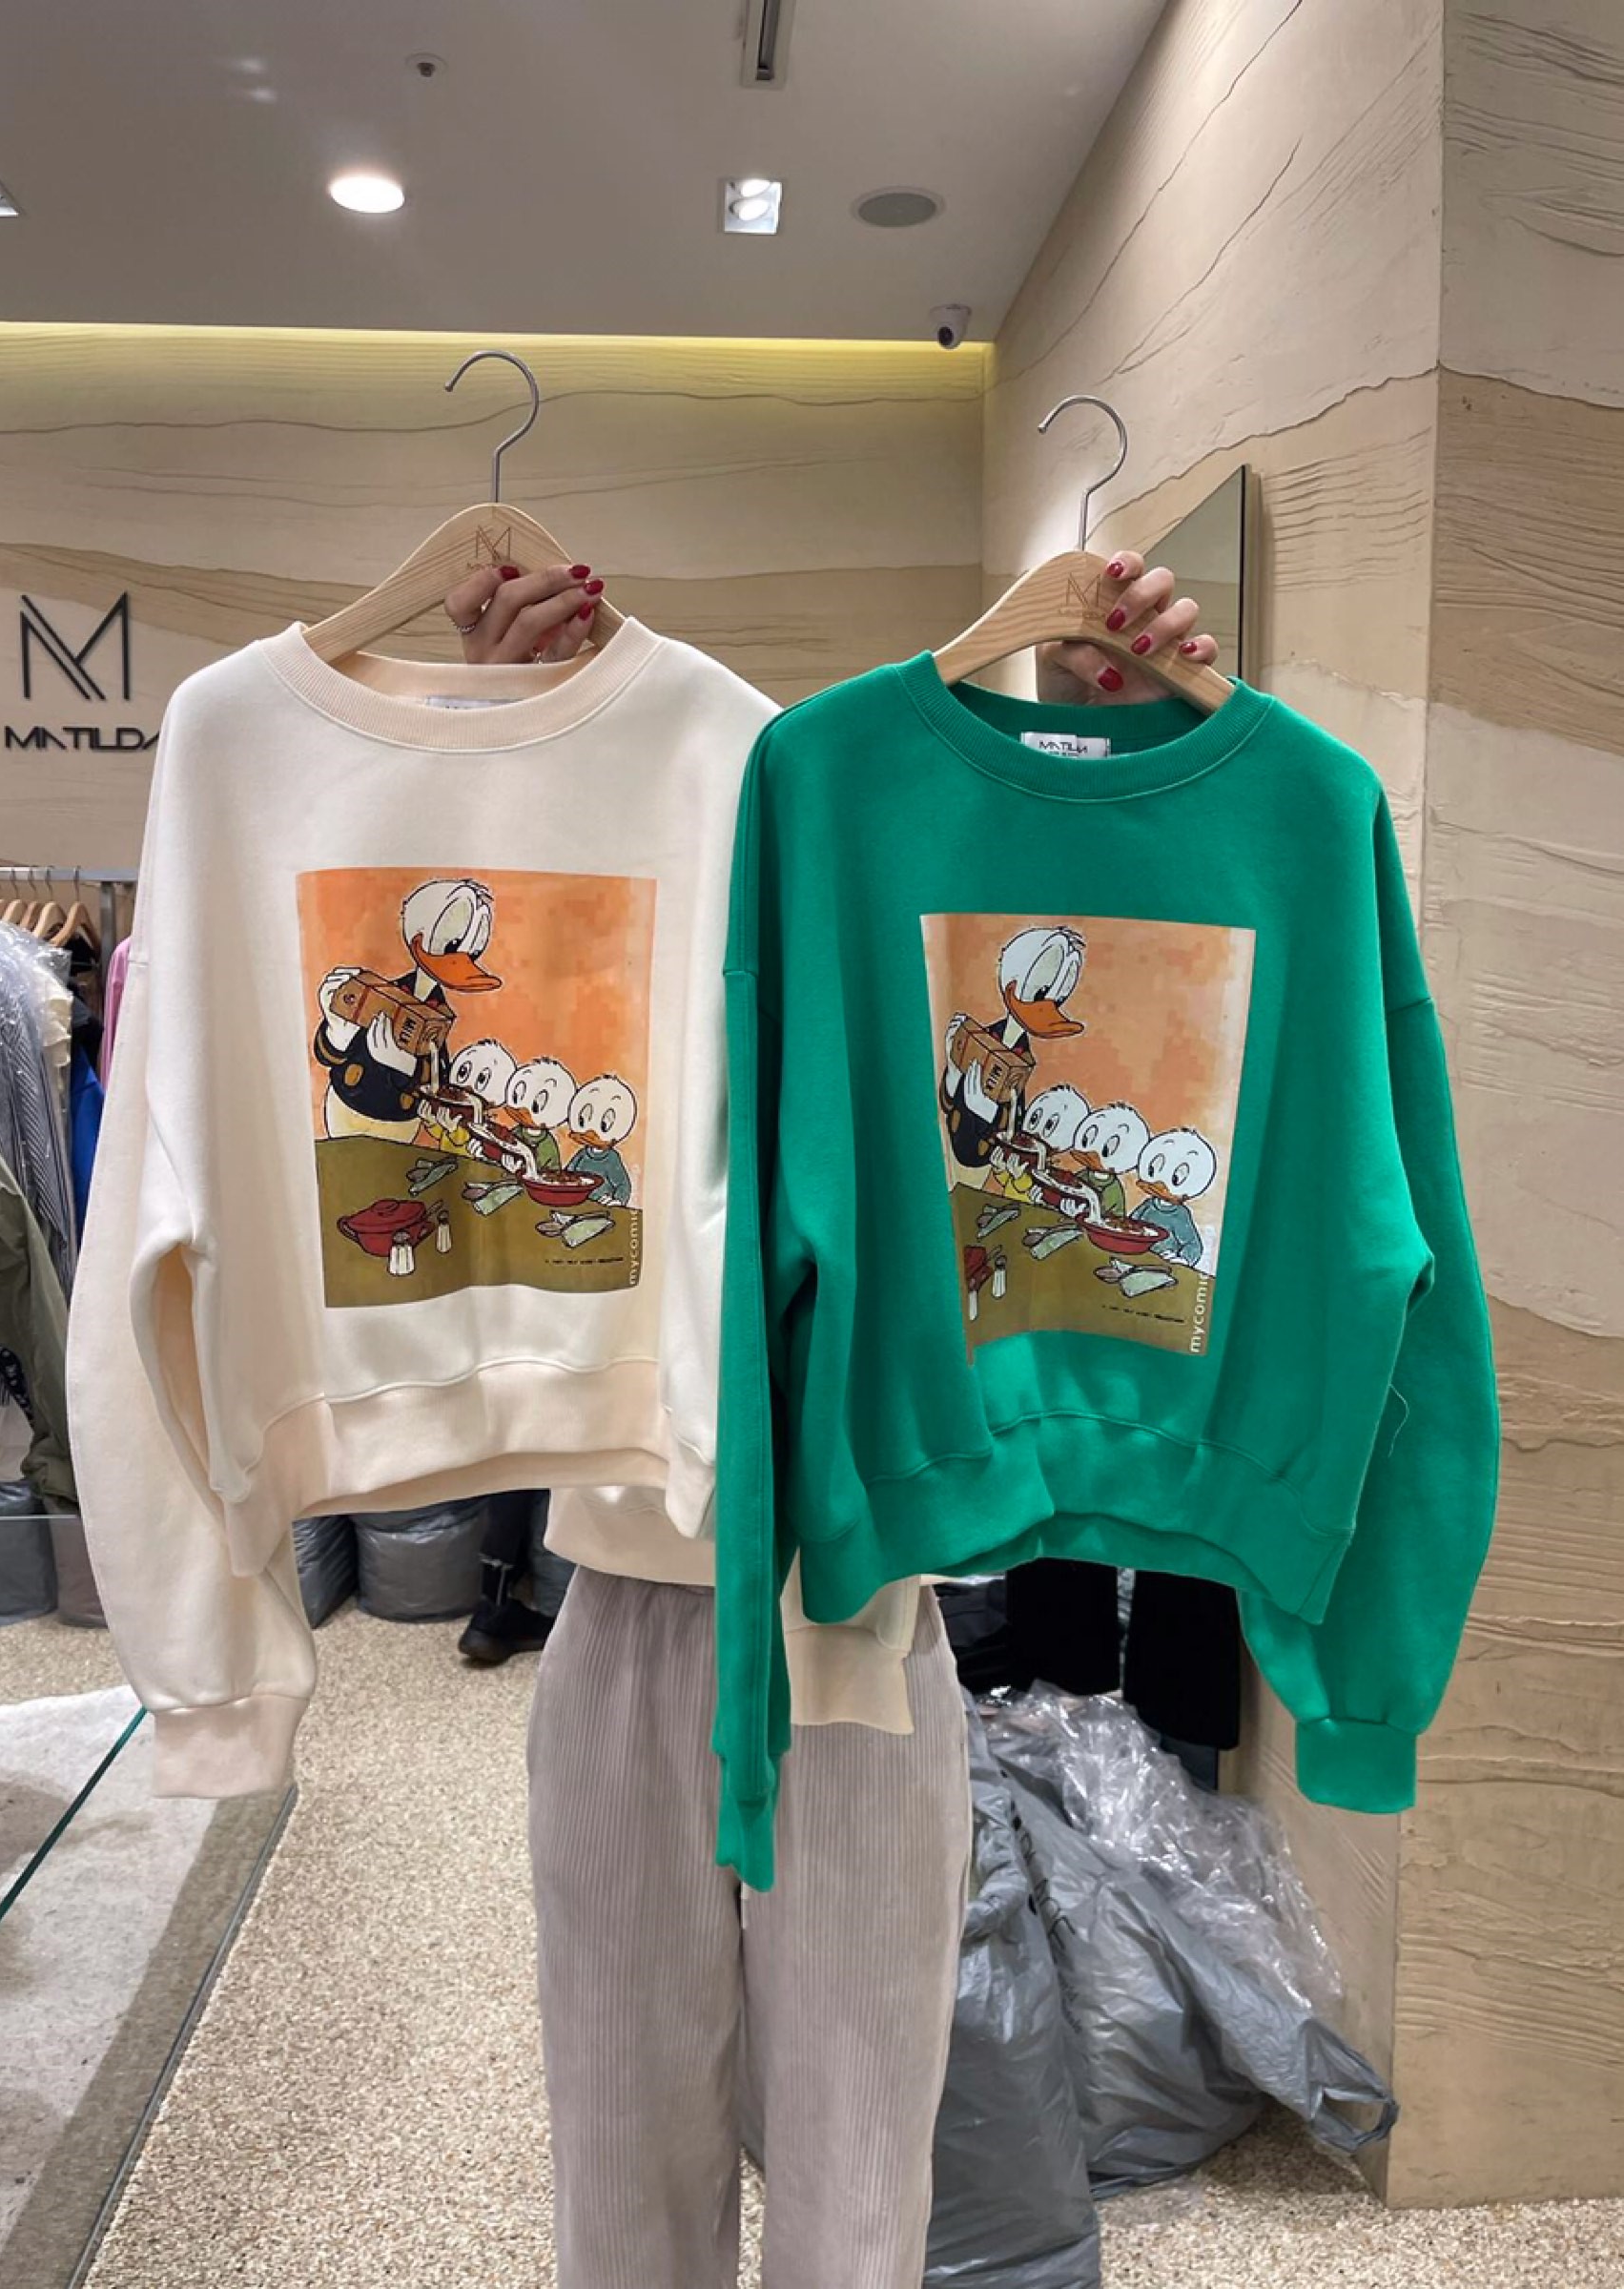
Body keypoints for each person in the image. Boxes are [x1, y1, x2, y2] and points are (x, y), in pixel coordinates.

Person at [443, 554, 1218, 2285]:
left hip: (861, 1606)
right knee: (622, 2170)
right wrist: (496, 753)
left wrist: (1130, 769)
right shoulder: (659, 822)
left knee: (863, 2179)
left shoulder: (870, 824)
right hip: (636, 1589)